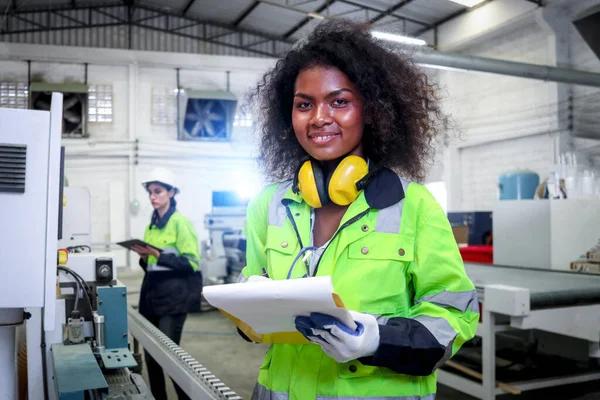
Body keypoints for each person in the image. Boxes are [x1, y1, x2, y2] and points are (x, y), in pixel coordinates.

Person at [238, 19, 480, 400]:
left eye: (339, 101)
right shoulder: (268, 206)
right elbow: (253, 315)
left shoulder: (414, 206)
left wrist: (378, 340)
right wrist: (247, 305)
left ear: (372, 111)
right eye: (305, 104)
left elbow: (457, 316)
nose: (319, 117)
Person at [132, 167, 202, 400]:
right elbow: (151, 267)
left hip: (173, 300)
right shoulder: (151, 226)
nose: (153, 196)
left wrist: (159, 254)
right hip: (151, 297)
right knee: (151, 357)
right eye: (150, 192)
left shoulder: (181, 224)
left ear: (171, 193)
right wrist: (145, 258)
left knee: (170, 358)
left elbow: (191, 263)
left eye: (158, 191)